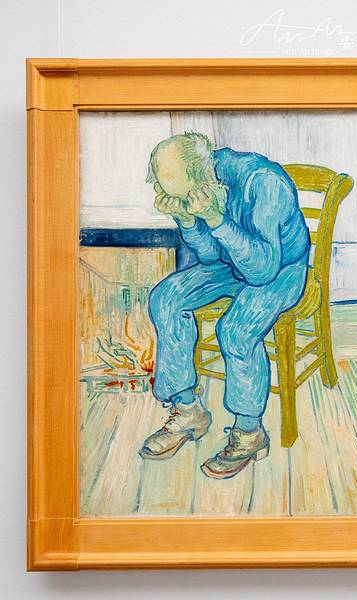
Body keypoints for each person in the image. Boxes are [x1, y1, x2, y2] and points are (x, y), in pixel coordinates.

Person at [139, 132, 310, 479]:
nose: (185, 202)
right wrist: (189, 220)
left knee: (235, 330)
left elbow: (262, 271)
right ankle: (188, 410)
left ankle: (249, 432)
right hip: (231, 260)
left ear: (205, 177)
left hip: (281, 269)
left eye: (184, 197)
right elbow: (210, 256)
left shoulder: (265, 184)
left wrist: (217, 219)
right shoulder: (202, 187)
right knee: (165, 298)